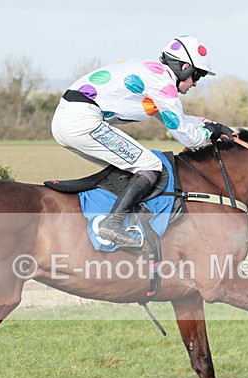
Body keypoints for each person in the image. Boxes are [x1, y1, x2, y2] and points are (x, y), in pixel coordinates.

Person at [51, 35, 234, 247]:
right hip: (82, 121)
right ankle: (112, 223)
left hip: (68, 119)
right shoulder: (163, 84)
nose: (195, 83)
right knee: (150, 165)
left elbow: (178, 120)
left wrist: (212, 125)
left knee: (133, 169)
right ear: (184, 67)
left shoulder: (153, 72)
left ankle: (116, 218)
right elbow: (188, 138)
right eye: (197, 76)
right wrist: (209, 133)